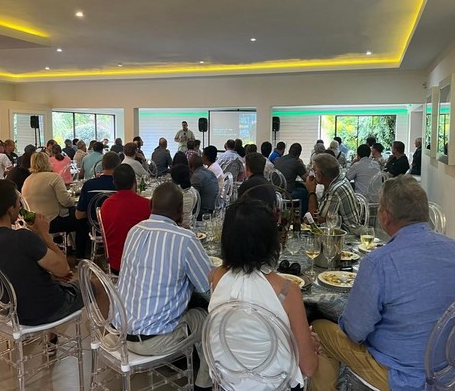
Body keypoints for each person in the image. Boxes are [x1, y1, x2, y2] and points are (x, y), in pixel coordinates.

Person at [311, 175, 455, 391]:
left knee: (319, 330)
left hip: (402, 377)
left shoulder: (379, 262)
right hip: (451, 370)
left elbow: (355, 332)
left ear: (385, 216)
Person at [209, 199, 318, 390]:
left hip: (229, 382)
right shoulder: (287, 290)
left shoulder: (216, 277)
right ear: (270, 241)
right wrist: (306, 343)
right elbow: (308, 368)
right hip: (276, 385)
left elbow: (242, 332)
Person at [116, 182, 212, 390]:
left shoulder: (135, 231)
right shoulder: (185, 239)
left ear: (151, 205)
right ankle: (204, 385)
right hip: (154, 341)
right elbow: (209, 289)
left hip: (121, 333)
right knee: (211, 319)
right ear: (180, 211)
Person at [0, 179, 84, 326]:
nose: (20, 206)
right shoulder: (23, 238)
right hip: (46, 309)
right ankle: (106, 336)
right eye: (18, 202)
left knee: (50, 282)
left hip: (10, 314)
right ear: (10, 209)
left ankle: (51, 337)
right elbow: (64, 269)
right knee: (98, 285)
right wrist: (44, 234)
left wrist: (52, 276)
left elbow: (15, 274)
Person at [22, 152, 89, 260]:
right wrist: (73, 201)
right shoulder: (54, 177)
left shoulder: (27, 180)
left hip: (33, 222)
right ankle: (80, 257)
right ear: (48, 162)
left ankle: (62, 245)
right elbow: (66, 202)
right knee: (81, 219)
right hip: (53, 221)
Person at [100, 164, 150, 274]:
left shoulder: (106, 205)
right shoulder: (147, 205)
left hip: (114, 265)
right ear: (135, 182)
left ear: (114, 182)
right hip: (140, 266)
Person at [307, 153, 361, 235]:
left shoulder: (335, 191)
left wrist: (311, 191)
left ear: (319, 175)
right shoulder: (341, 180)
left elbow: (316, 221)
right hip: (343, 231)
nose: (312, 174)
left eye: (313, 170)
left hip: (346, 236)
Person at [75, 152, 120, 221]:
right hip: (116, 225)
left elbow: (79, 215)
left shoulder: (89, 185)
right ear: (119, 166)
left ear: (102, 166)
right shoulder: (122, 185)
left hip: (94, 225)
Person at [274, 142, 309, 214]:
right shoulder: (296, 162)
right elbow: (307, 179)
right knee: (304, 192)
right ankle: (303, 215)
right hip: (287, 193)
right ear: (299, 154)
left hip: (276, 192)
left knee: (299, 186)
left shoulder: (279, 159)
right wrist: (302, 164)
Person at [189, 154, 219, 219]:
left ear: (190, 166)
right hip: (214, 208)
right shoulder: (210, 172)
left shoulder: (197, 176)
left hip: (203, 212)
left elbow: (192, 198)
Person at [170, 164, 198, 229]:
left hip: (183, 227)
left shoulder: (187, 194)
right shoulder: (188, 190)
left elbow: (184, 219)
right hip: (179, 224)